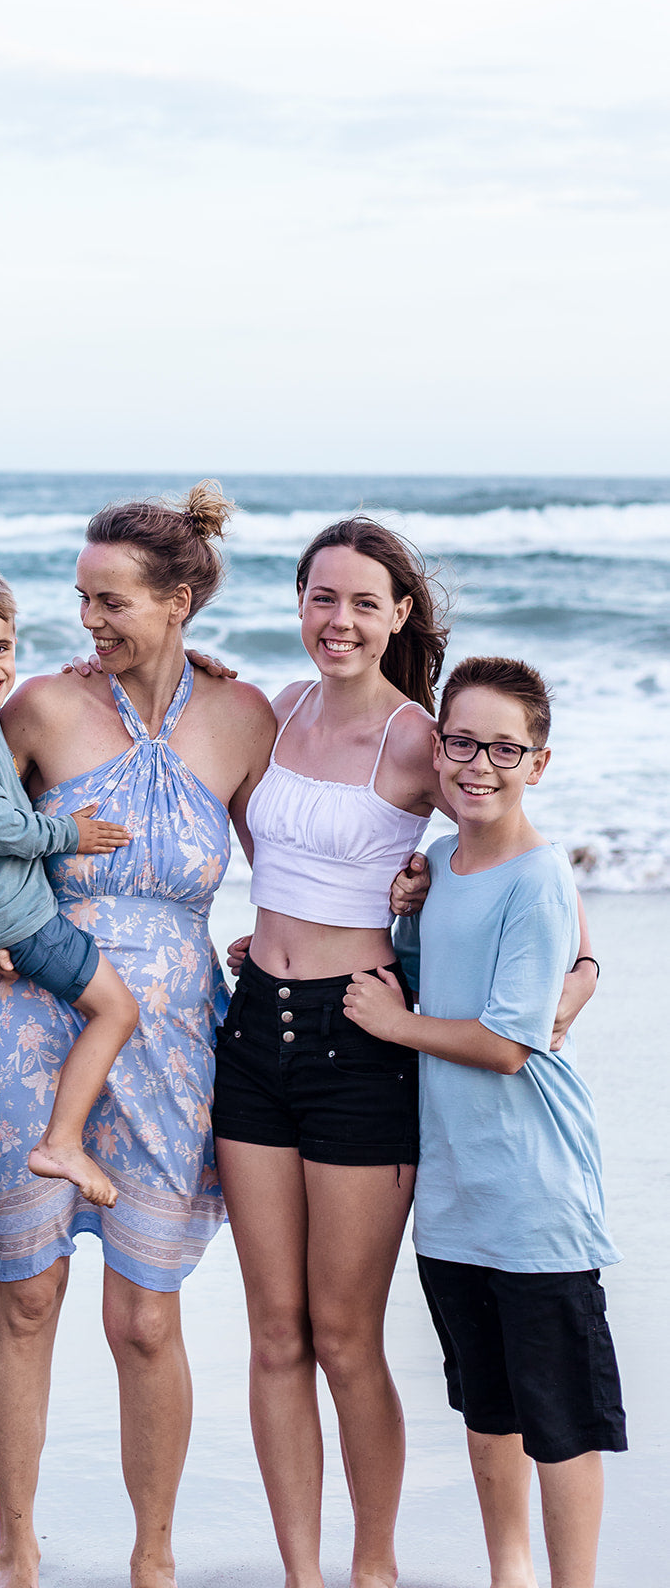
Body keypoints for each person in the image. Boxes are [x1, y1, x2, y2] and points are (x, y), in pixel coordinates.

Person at [209, 517, 598, 1588]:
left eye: (362, 602)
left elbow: (512, 857)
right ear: (298, 605)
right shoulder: (263, 710)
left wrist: (566, 991)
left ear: (397, 617)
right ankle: (301, 1571)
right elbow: (176, 729)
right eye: (319, 597)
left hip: (358, 1041)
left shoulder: (427, 740)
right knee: (272, 1333)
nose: (337, 620)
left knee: (341, 1335)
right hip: (250, 1031)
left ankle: (371, 1567)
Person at [0, 481, 277, 1588]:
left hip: (174, 1036)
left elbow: (299, 856)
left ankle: (152, 1558)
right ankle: (13, 1547)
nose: (88, 619)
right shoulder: (39, 706)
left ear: (178, 599)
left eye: (111, 601)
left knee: (144, 1316)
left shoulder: (243, 719)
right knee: (28, 1293)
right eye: (81, 596)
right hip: (34, 1019)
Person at [343, 656, 625, 1588]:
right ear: (438, 745)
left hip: (533, 1196)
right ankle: (507, 1574)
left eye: (505, 748)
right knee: (488, 1409)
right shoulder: (433, 867)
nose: (478, 764)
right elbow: (429, 973)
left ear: (537, 762)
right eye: (461, 741)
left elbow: (508, 1042)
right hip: (455, 1197)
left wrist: (395, 1023)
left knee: (559, 1421)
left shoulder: (537, 879)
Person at [0, 562, 138, 1207]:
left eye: (1, 649)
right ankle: (60, 1143)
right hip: (14, 920)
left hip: (1, 908)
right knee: (116, 1010)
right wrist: (71, 834)